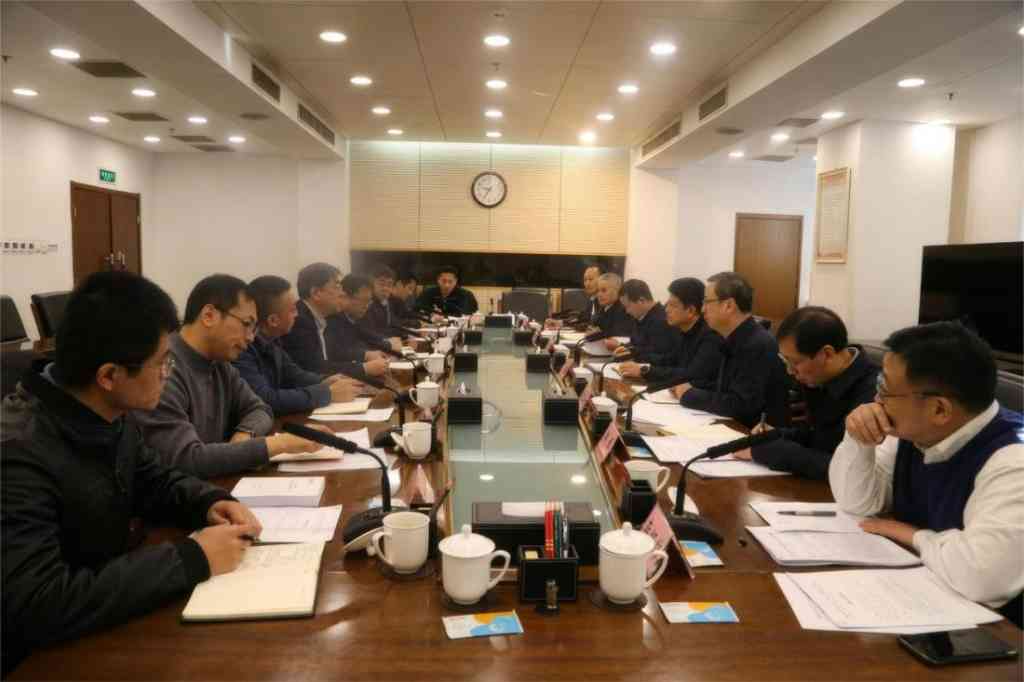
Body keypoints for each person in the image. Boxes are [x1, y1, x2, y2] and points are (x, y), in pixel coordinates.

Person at [2, 271, 262, 674]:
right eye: (162, 363)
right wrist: (191, 557)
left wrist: (210, 501)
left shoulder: (105, 411)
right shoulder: (18, 453)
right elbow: (39, 602)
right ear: (109, 375)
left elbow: (154, 479)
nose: (168, 373)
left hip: (106, 621)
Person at [830, 322, 1022, 627]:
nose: (877, 400)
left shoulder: (1013, 460)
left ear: (939, 410)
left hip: (996, 633)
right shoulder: (914, 430)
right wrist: (859, 439)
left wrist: (911, 534)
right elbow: (858, 503)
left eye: (885, 390)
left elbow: (982, 576)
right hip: (925, 598)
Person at [135, 274, 325, 479]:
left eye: (253, 328)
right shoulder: (162, 368)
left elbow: (260, 408)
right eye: (246, 324)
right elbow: (186, 459)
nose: (251, 337)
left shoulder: (220, 364)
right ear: (209, 316)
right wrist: (279, 444)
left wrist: (246, 434)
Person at [733, 306, 878, 480]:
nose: (790, 371)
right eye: (785, 361)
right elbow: (819, 437)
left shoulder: (874, 394)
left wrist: (773, 452)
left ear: (827, 354)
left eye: (794, 362)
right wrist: (777, 434)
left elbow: (846, 469)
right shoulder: (819, 376)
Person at [233, 275, 360, 416]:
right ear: (273, 320)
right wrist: (327, 393)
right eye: (293, 309)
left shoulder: (272, 340)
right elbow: (266, 399)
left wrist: (325, 381)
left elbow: (294, 375)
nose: (297, 314)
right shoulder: (241, 349)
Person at [673, 271, 787, 427]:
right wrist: (691, 387)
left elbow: (741, 405)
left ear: (728, 306)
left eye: (707, 302)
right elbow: (726, 387)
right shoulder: (734, 336)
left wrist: (690, 395)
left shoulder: (757, 344)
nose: (703, 309)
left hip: (754, 432)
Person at [280, 262, 387, 379]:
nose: (342, 293)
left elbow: (332, 355)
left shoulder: (319, 317)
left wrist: (364, 360)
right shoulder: (299, 321)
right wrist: (364, 368)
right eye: (336, 286)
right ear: (316, 293)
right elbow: (315, 368)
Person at [619, 277, 724, 386]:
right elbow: (669, 360)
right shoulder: (684, 331)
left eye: (672, 305)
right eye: (667, 304)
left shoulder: (710, 336)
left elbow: (692, 374)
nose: (666, 310)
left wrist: (646, 371)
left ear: (690, 310)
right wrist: (637, 360)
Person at [327, 274, 402, 364]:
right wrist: (366, 354)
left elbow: (365, 337)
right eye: (364, 300)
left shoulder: (354, 318)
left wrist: (386, 344)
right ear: (346, 297)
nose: (366, 306)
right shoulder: (333, 319)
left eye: (369, 301)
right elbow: (338, 352)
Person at [607, 279, 675, 359]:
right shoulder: (640, 316)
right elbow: (637, 345)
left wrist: (631, 353)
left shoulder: (661, 320)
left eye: (628, 306)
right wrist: (624, 347)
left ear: (641, 300)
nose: (627, 311)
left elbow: (658, 354)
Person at [363, 264, 417, 337]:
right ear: (371, 285)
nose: (385, 288)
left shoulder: (385, 302)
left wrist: (412, 333)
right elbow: (374, 332)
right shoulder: (367, 304)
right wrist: (406, 334)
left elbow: (394, 324)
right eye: (381, 284)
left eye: (389, 284)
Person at [591, 272, 635, 338]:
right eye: (598, 291)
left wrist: (598, 333)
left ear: (617, 291)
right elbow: (595, 325)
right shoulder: (603, 308)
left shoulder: (624, 310)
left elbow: (618, 333)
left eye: (604, 290)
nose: (599, 295)